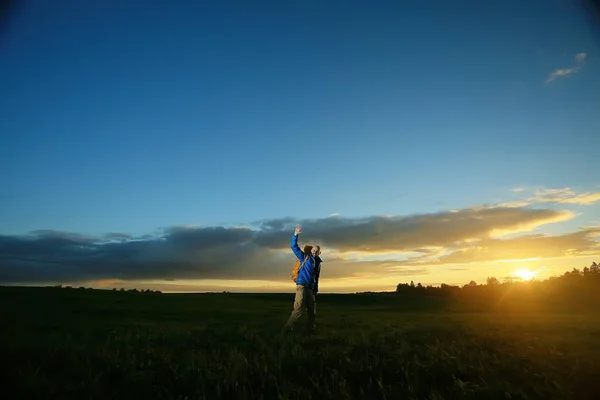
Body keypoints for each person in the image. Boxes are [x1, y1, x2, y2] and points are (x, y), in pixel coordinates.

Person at [285, 225, 322, 332]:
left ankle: (311, 329)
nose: (314, 252)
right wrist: (295, 234)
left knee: (311, 311)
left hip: (311, 289)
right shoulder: (304, 257)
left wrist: (315, 290)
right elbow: (294, 246)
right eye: (313, 250)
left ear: (319, 253)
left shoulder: (318, 263)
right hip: (301, 286)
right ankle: (288, 328)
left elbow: (316, 278)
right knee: (298, 309)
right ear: (311, 251)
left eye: (316, 251)